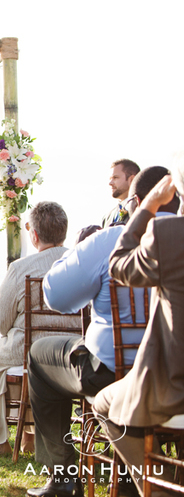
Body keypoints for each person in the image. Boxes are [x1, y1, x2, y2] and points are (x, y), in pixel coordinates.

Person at [25, 167, 178, 497]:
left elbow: (57, 296)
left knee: (38, 356)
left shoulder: (109, 241)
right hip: (172, 371)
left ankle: (64, 477)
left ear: (135, 202)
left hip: (111, 371)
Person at [93, 161, 184, 497]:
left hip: (173, 386)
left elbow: (118, 265)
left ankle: (162, 490)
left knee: (104, 402)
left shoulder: (170, 235)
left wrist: (147, 207)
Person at [0, 201, 78, 457]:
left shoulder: (20, 268)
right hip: (72, 349)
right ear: (64, 231)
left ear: (33, 235)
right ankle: (30, 436)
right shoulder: (79, 263)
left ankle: (0, 442)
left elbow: (1, 323)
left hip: (27, 349)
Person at [101, 159, 140, 228]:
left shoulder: (141, 209)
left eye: (115, 178)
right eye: (110, 179)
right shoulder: (107, 218)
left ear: (131, 179)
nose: (110, 183)